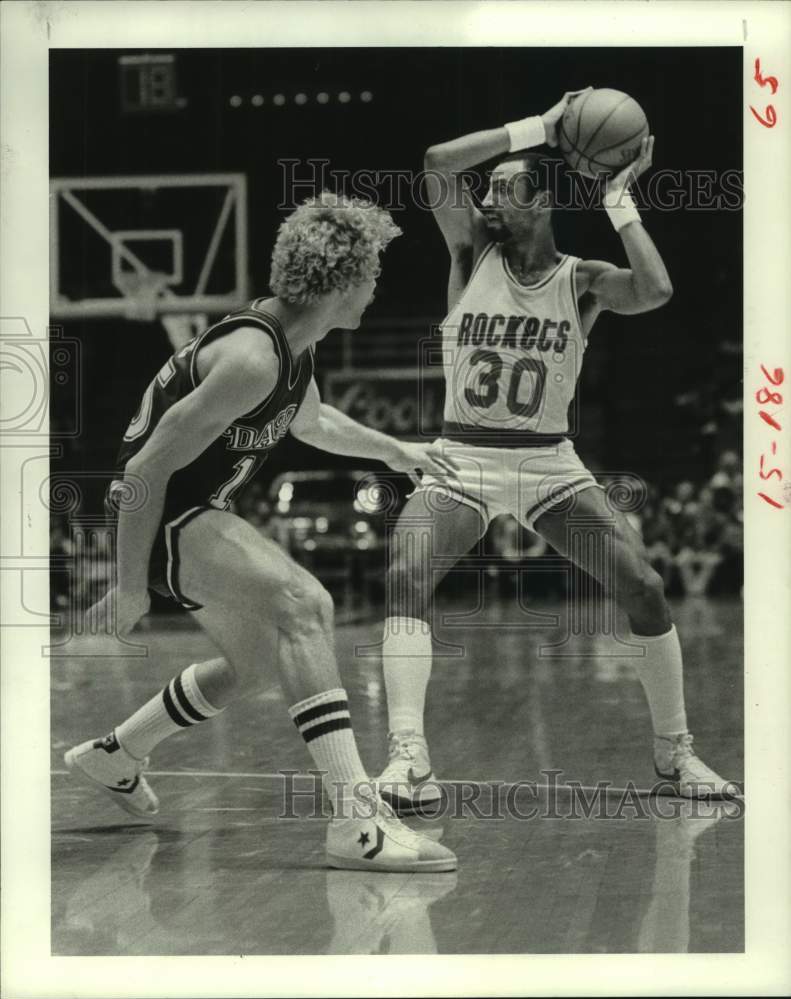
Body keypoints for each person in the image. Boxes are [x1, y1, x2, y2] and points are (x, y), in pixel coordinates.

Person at [65, 193, 457, 873]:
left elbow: (313, 423)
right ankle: (354, 822)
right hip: (159, 511)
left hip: (187, 509)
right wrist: (130, 587)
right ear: (340, 283)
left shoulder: (293, 346)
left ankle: (116, 754)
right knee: (304, 604)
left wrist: (396, 450)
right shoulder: (251, 357)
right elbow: (144, 468)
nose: (375, 288)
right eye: (370, 275)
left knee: (250, 666)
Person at [375, 91, 736, 812]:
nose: (482, 197)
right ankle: (408, 758)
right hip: (463, 456)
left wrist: (618, 197)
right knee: (405, 569)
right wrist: (542, 126)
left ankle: (676, 755)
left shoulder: (583, 280)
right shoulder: (469, 250)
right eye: (483, 191)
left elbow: (657, 288)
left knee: (645, 587)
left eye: (500, 189)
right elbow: (436, 162)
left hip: (546, 461)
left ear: (537, 202)